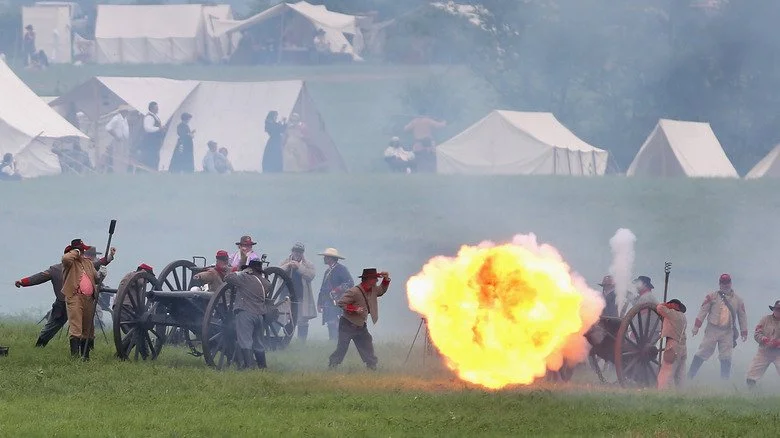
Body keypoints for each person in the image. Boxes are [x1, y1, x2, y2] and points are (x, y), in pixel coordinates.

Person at [15, 245, 115, 348]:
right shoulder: (55, 269)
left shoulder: (85, 265)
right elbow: (39, 277)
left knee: (87, 328)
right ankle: (39, 346)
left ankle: (87, 351)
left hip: (81, 301)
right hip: (62, 304)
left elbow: (98, 264)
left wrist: (109, 257)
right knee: (52, 327)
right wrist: (23, 282)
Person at [688, 274, 748, 381]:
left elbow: (742, 316)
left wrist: (744, 332)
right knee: (703, 351)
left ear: (730, 283)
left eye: (727, 282)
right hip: (712, 329)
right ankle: (690, 376)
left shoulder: (738, 300)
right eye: (723, 283)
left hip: (727, 331)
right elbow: (703, 311)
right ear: (720, 284)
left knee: (726, 356)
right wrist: (696, 327)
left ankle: (724, 381)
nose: (725, 285)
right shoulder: (712, 296)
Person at [328, 268, 391, 370]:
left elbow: (382, 290)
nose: (376, 281)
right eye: (375, 278)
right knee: (342, 348)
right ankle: (332, 365)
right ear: (368, 279)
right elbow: (341, 303)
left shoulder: (373, 289)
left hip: (360, 325)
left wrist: (386, 279)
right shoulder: (354, 291)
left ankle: (371, 366)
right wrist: (354, 309)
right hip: (347, 324)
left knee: (367, 344)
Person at [225, 259, 271, 369]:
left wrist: (241, 272)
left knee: (245, 341)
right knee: (258, 342)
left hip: (246, 313)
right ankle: (262, 366)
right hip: (260, 315)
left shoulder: (245, 278)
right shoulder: (266, 283)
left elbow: (227, 278)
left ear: (250, 269)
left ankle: (248, 366)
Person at [61, 239, 102, 360]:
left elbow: (96, 278)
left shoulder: (88, 263)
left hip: (89, 298)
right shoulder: (69, 262)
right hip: (75, 297)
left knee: (88, 328)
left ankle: (85, 356)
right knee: (76, 327)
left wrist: (102, 274)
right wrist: (75, 251)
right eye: (82, 249)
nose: (84, 252)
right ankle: (75, 357)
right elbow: (66, 258)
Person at [279, 242, 316, 342]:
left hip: (301, 296)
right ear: (292, 251)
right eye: (296, 251)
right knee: (282, 318)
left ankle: (301, 342)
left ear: (302, 253)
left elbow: (310, 275)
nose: (297, 253)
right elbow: (278, 272)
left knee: (302, 320)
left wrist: (299, 267)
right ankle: (283, 340)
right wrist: (288, 265)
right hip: (285, 296)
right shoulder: (285, 261)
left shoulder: (308, 264)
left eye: (300, 251)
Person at [316, 248, 354, 341]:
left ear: (331, 258)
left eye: (326, 257)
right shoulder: (327, 271)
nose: (324, 258)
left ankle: (338, 341)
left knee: (335, 322)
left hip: (338, 300)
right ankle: (332, 342)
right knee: (330, 322)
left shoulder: (341, 269)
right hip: (328, 301)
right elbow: (323, 289)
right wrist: (319, 302)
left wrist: (337, 290)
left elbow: (350, 283)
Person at [746, 300, 780, 388]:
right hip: (764, 352)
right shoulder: (765, 319)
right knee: (751, 375)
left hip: (778, 353)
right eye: (777, 309)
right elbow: (757, 333)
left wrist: (777, 343)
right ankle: (751, 394)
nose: (778, 311)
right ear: (773, 310)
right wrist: (764, 339)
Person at [656, 299, 687, 390]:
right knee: (680, 374)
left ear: (674, 305)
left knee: (666, 372)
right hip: (683, 346)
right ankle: (681, 393)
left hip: (672, 345)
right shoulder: (683, 317)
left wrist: (665, 304)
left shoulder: (672, 314)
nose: (668, 305)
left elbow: (659, 308)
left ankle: (662, 394)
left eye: (670, 304)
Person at [105, 106, 131, 173]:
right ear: (122, 111)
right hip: (119, 141)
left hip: (125, 141)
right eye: (125, 111)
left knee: (125, 157)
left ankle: (123, 171)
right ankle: (117, 171)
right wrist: (116, 136)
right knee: (118, 157)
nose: (127, 112)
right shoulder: (116, 118)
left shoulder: (125, 119)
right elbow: (108, 127)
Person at [139, 101, 164, 171]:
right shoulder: (149, 117)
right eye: (156, 108)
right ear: (152, 109)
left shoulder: (155, 116)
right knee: (150, 158)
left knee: (154, 157)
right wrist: (159, 128)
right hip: (150, 141)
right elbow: (148, 128)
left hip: (154, 142)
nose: (158, 109)